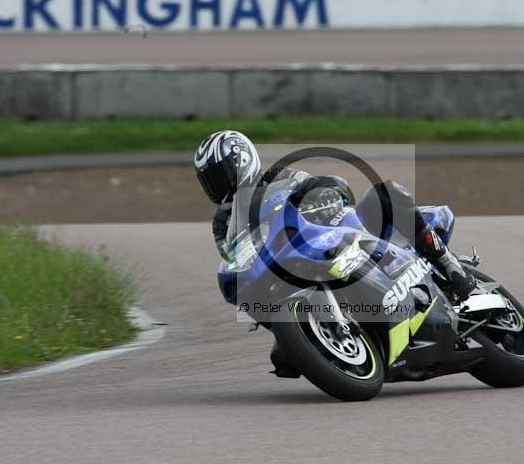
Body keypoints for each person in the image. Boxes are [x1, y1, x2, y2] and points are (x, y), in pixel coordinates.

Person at [194, 130, 476, 376]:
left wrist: (328, 193)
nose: (216, 185)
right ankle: (313, 334)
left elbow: (318, 183)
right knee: (281, 353)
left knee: (386, 193)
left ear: (241, 161)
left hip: (333, 235)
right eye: (209, 180)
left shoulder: (278, 176)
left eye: (219, 175)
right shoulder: (222, 222)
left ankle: (448, 264)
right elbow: (232, 253)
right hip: (285, 267)